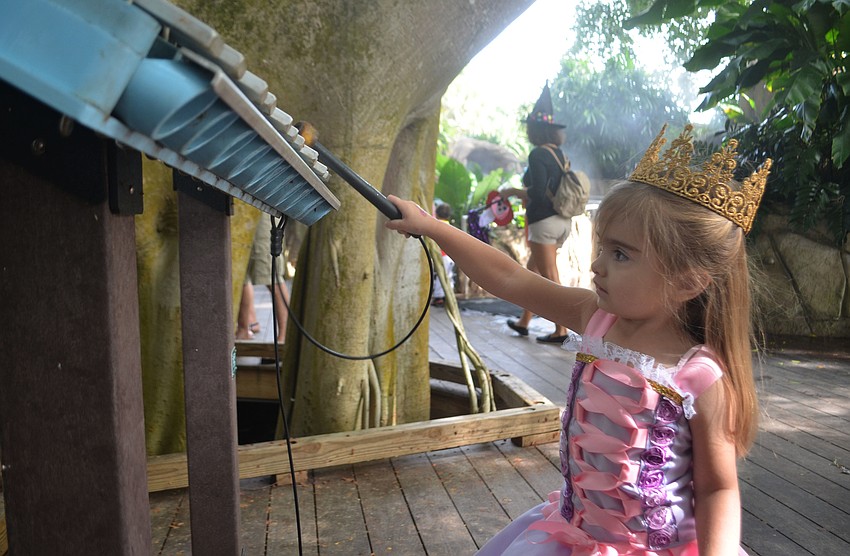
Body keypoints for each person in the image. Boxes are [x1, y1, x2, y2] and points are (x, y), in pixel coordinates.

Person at [386, 124, 771, 555]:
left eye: (621, 254)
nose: (597, 266)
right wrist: (433, 227)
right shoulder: (597, 319)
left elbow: (718, 489)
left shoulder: (699, 379)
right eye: (603, 248)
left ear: (687, 281)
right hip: (571, 537)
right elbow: (511, 277)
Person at [499, 83, 573, 343]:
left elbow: (539, 192)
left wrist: (512, 192)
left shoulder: (537, 154)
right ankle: (524, 321)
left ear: (535, 130)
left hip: (545, 222)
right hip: (563, 221)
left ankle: (562, 329)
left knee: (550, 277)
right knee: (534, 273)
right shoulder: (558, 154)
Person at [235, 214, 289, 343]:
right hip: (238, 207)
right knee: (239, 272)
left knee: (270, 273)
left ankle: (284, 337)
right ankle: (243, 330)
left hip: (262, 208)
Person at [431, 202, 455, 307]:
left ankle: (439, 297)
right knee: (448, 276)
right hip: (449, 255)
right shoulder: (450, 227)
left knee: (441, 276)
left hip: (440, 254)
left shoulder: (435, 225)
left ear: (436, 213)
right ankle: (448, 296)